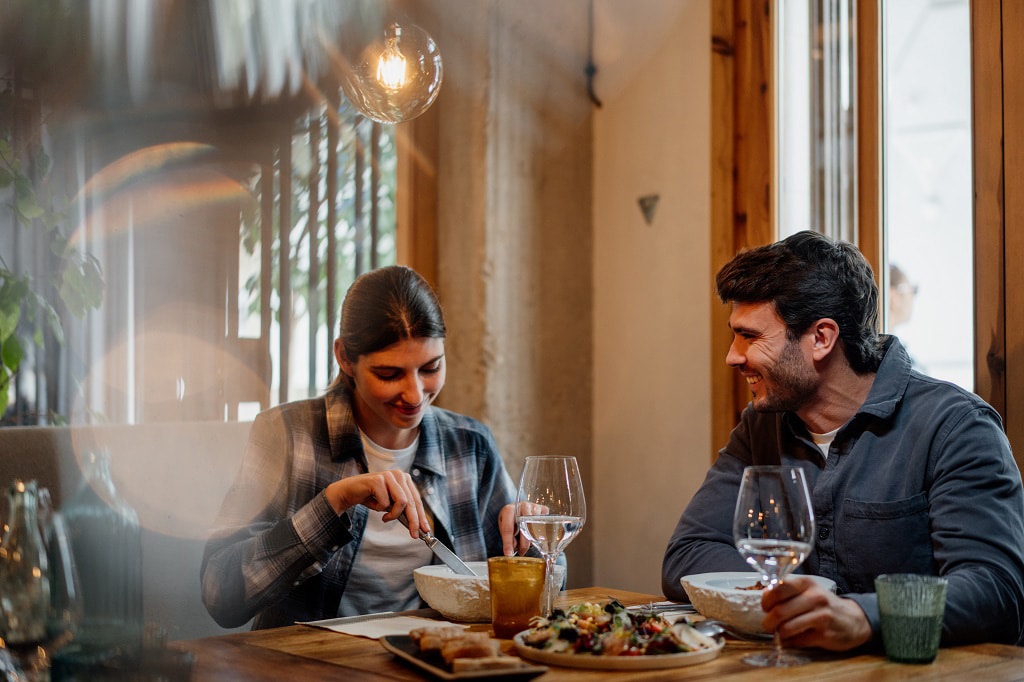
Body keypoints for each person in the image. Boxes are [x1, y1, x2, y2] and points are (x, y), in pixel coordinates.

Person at [661, 231, 1024, 650]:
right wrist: (798, 599)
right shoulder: (761, 425)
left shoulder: (954, 426)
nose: (733, 356)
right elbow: (686, 556)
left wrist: (863, 617)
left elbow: (997, 592)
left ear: (821, 338)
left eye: (751, 337)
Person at [202, 265, 528, 629]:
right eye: (389, 375)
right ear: (345, 358)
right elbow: (221, 594)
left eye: (430, 368)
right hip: (313, 665)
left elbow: (531, 598)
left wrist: (532, 545)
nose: (415, 394)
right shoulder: (287, 434)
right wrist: (333, 503)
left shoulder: (470, 445)